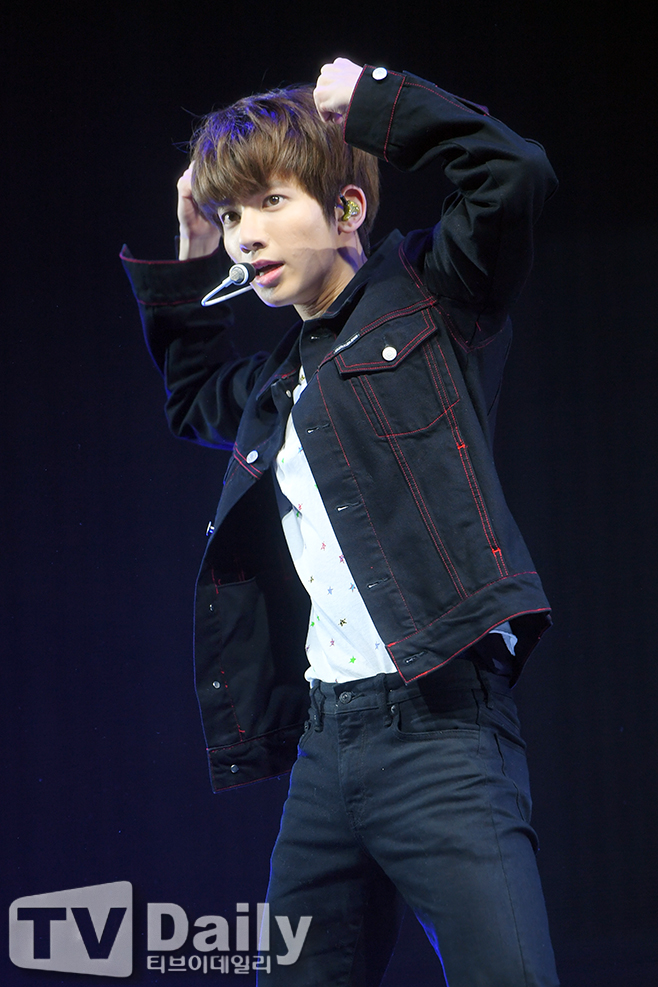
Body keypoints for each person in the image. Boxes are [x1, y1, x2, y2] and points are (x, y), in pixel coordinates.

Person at [122, 57, 559, 986]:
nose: (246, 235)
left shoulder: (434, 296)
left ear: (348, 209)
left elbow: (515, 172)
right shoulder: (279, 382)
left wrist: (377, 101)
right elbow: (194, 396)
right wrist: (189, 253)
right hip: (327, 749)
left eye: (270, 202)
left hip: (443, 730)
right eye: (230, 216)